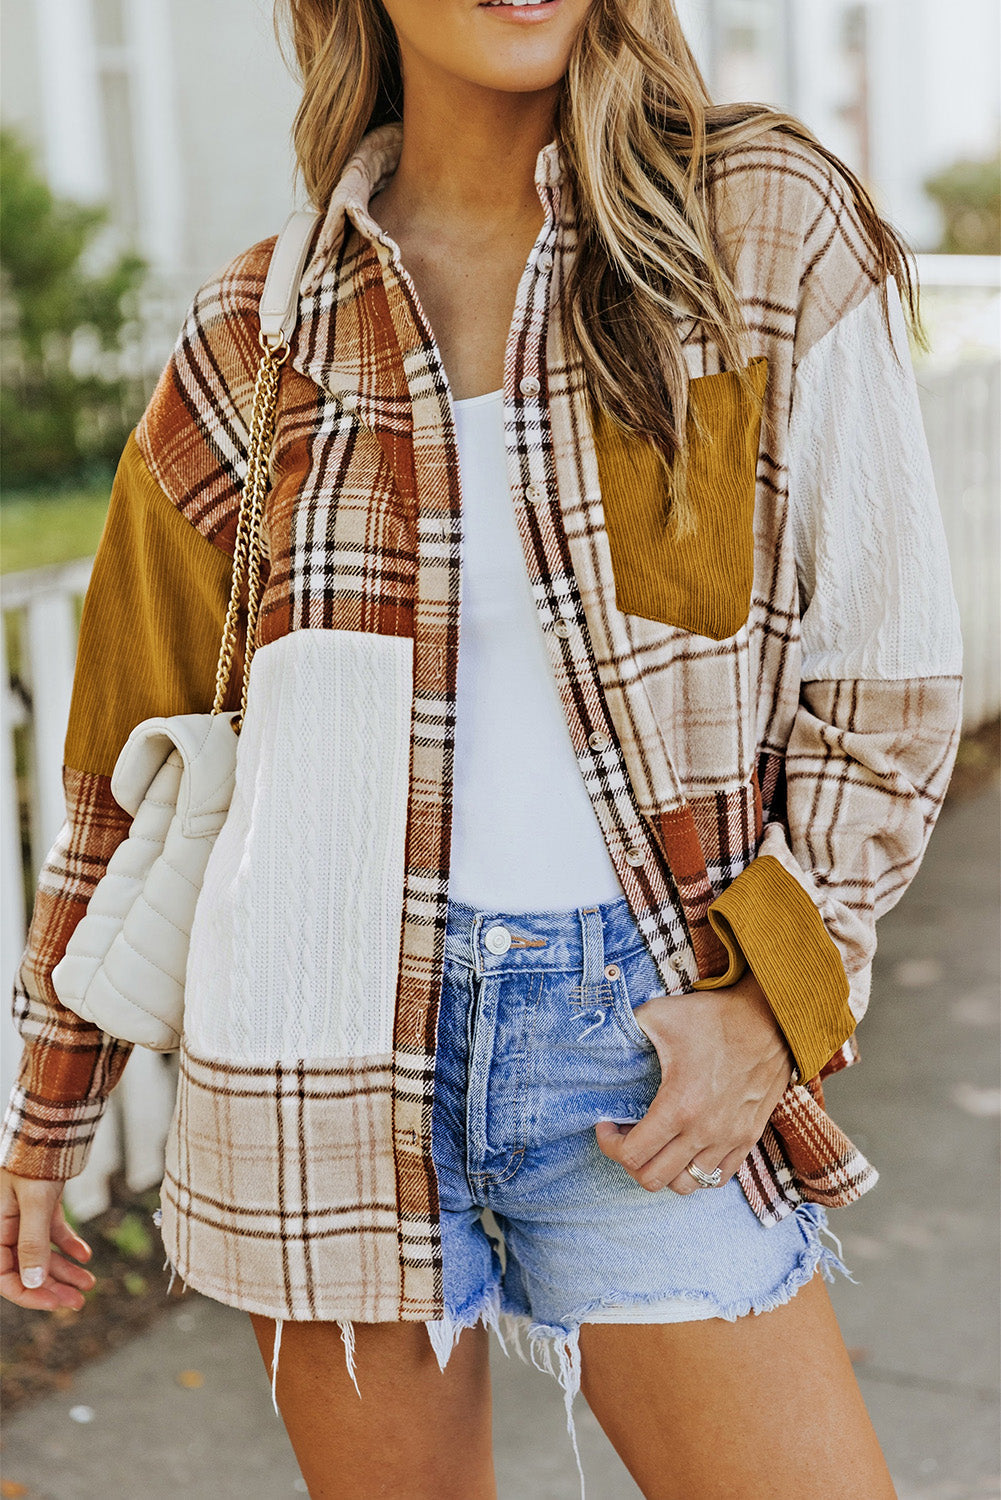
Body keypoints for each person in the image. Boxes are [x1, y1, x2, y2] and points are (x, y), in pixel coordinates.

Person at [0, 2, 963, 1496]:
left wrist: (768, 1004)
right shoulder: (249, 339)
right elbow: (119, 756)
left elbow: (882, 683)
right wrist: (50, 1115)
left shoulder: (756, 230)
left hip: (637, 1035)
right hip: (314, 1046)